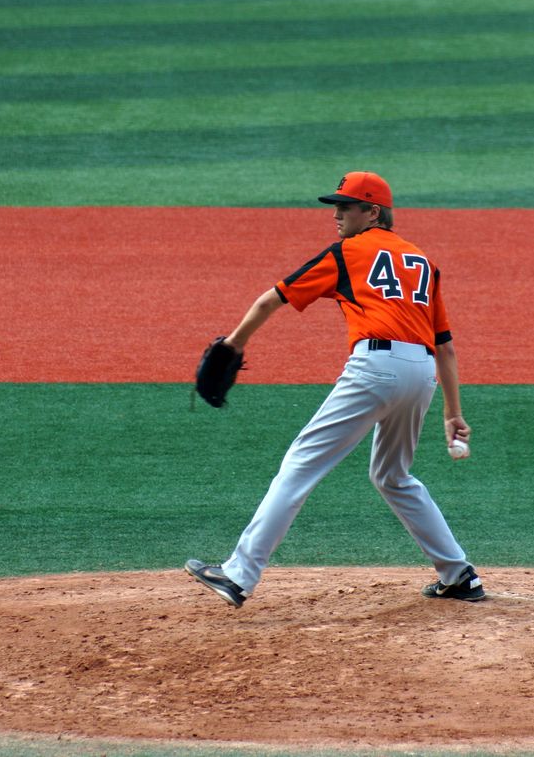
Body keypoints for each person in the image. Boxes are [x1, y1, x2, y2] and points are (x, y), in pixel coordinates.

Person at [185, 171, 485, 608]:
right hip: (422, 375)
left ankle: (239, 573)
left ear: (373, 212)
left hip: (375, 368)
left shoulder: (348, 252)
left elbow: (271, 299)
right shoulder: (423, 261)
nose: (336, 214)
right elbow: (445, 347)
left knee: (301, 463)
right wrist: (453, 412)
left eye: (345, 207)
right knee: (393, 476)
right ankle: (458, 575)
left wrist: (233, 344)